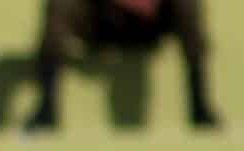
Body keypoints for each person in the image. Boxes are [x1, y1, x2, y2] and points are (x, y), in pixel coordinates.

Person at [28, 0, 220, 131]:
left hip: (149, 23)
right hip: (101, 19)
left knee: (187, 5)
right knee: (60, 5)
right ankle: (46, 110)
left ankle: (200, 107)